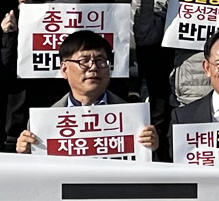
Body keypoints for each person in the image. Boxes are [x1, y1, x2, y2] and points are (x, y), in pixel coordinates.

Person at [13, 28, 157, 154]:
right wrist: (26, 153)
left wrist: (152, 149)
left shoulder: (134, 119)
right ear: (64, 69)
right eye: (84, 61)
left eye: (101, 61)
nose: (93, 67)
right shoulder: (42, 123)